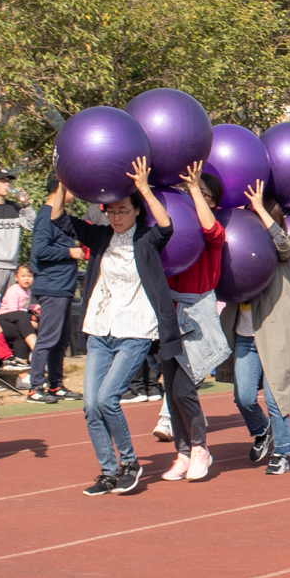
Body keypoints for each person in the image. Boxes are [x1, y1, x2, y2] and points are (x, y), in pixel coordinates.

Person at [53, 157, 179, 496]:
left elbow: (166, 226)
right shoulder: (100, 237)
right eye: (111, 212)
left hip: (135, 330)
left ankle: (129, 464)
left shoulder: (147, 239)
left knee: (108, 399)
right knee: (90, 405)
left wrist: (142, 188)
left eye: (122, 210)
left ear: (136, 210)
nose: (116, 217)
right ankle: (108, 472)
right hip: (100, 329)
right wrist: (65, 179)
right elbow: (58, 218)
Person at [222, 179, 290, 475]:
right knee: (243, 397)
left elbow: (287, 247)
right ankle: (262, 429)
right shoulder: (238, 245)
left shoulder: (280, 251)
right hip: (245, 335)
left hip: (275, 333)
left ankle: (282, 452)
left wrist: (260, 210)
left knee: (275, 395)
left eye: (255, 214)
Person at [149, 163, 230, 478]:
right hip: (169, 313)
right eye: (190, 190)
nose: (194, 195)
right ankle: (182, 453)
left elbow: (212, 231)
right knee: (170, 389)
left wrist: (195, 187)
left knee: (184, 388)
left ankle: (200, 449)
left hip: (196, 315)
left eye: (204, 193)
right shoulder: (175, 227)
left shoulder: (213, 233)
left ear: (213, 201)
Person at [27, 175, 85, 404]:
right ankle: (34, 387)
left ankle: (55, 385)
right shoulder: (46, 216)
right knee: (48, 338)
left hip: (64, 287)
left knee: (61, 340)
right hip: (52, 287)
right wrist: (69, 252)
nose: (75, 194)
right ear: (61, 188)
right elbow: (39, 251)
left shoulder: (58, 216)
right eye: (71, 188)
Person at [0, 264, 38, 364]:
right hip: (6, 317)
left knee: (23, 330)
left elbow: (25, 307)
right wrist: (28, 322)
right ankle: (37, 351)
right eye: (23, 276)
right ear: (16, 278)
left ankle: (22, 364)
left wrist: (37, 307)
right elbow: (14, 311)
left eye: (29, 276)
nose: (26, 279)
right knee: (22, 316)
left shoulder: (28, 291)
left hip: (19, 318)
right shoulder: (14, 290)